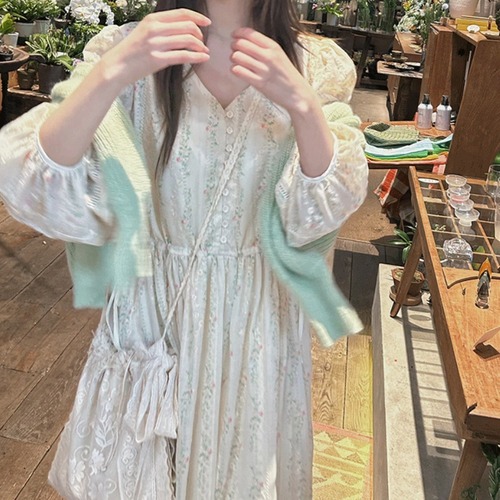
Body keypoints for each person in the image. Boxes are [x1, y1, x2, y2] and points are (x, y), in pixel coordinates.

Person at [0, 0, 368, 498]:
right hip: (152, 315)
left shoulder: (316, 65)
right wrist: (114, 70)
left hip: (257, 325)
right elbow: (35, 177)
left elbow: (319, 215)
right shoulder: (128, 48)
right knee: (141, 476)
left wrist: (301, 104)